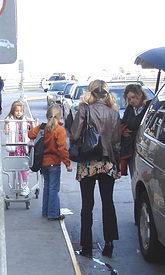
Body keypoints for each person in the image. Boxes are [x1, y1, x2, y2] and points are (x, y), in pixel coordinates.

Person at [70, 80, 121, 258]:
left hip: (88, 162)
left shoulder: (84, 109)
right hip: (107, 162)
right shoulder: (114, 113)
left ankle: (86, 247)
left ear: (90, 92)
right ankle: (109, 244)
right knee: (108, 202)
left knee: (87, 204)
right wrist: (118, 166)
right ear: (106, 94)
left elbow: (75, 135)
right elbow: (116, 143)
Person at [28, 104, 72, 220]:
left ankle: (45, 211)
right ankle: (53, 213)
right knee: (54, 189)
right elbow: (62, 148)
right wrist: (67, 164)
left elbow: (30, 134)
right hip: (54, 164)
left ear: (47, 116)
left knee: (47, 187)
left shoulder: (42, 128)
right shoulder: (60, 130)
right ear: (60, 116)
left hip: (43, 163)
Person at [4, 100, 34, 196]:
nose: (18, 113)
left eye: (20, 111)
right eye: (16, 111)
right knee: (15, 167)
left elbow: (32, 130)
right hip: (14, 147)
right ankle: (17, 184)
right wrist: (6, 123)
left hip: (23, 148)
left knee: (23, 167)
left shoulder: (25, 120)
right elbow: (6, 132)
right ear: (13, 111)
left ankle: (25, 185)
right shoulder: (10, 120)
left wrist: (31, 122)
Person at [120, 83, 149, 177]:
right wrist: (123, 131)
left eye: (134, 97)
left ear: (140, 94)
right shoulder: (129, 109)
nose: (132, 100)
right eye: (129, 99)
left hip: (145, 148)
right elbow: (124, 123)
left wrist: (148, 103)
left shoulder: (148, 107)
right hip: (132, 148)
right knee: (134, 175)